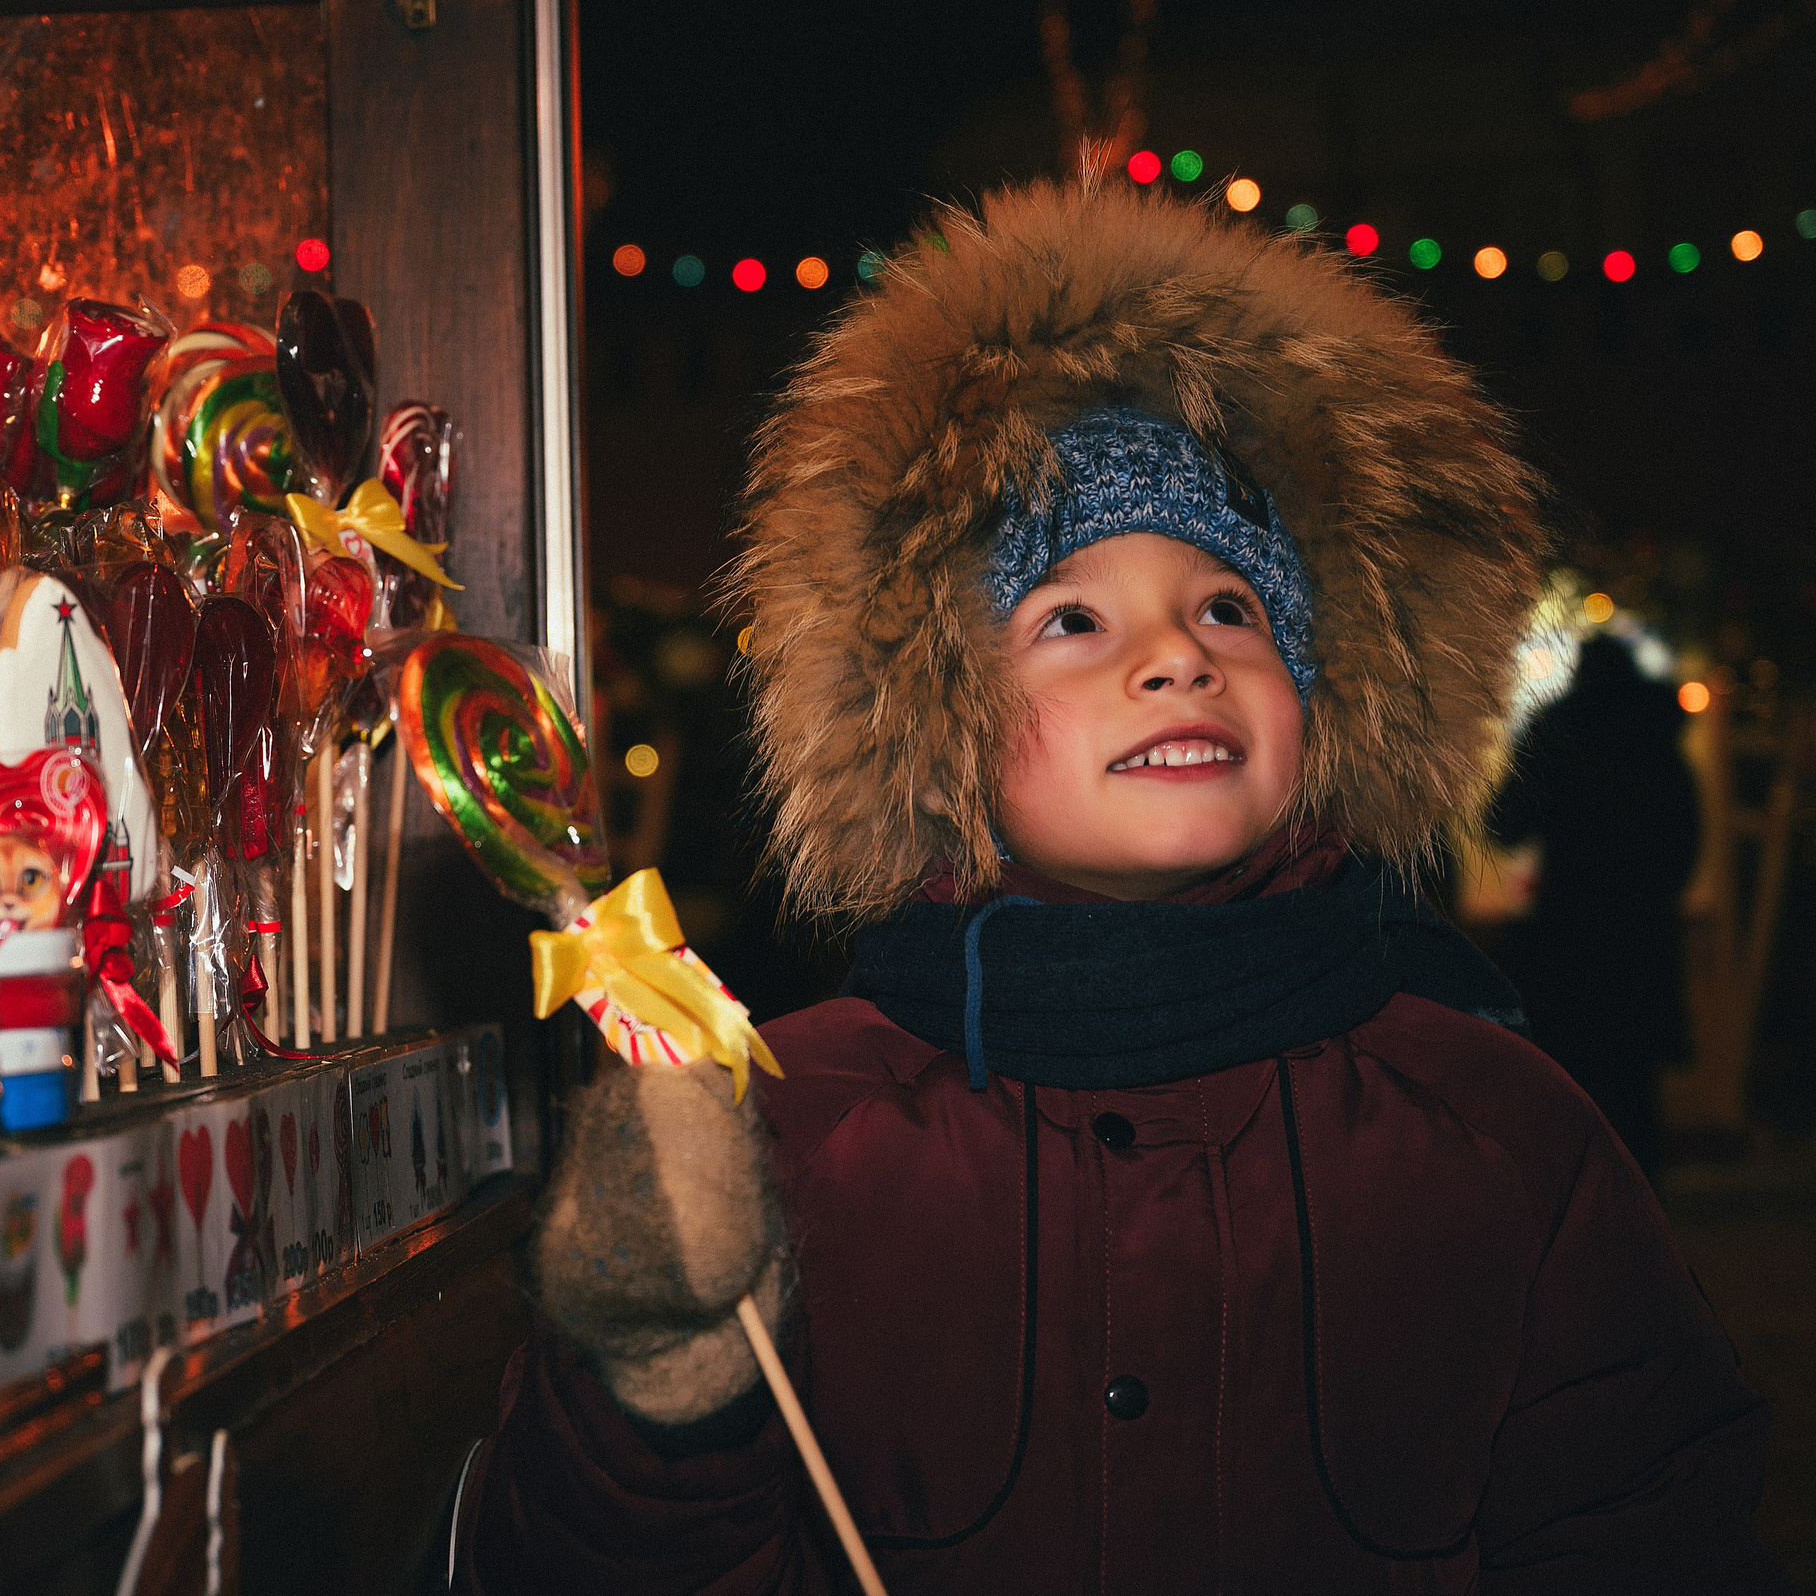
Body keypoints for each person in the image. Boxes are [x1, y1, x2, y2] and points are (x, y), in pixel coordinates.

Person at [457, 182, 1782, 1592]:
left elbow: (1654, 1520)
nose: (1177, 656)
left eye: (1232, 606)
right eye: (1073, 617)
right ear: (933, 716)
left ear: (1328, 700)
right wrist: (661, 1382)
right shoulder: (802, 1125)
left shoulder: (1500, 1136)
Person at [1489, 633, 1702, 1181]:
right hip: (1642, 930)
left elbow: (1507, 823)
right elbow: (1686, 836)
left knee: (1568, 1077)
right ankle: (1647, 1214)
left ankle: (1579, 1211)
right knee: (1635, 1084)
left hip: (1570, 930)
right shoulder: (1658, 736)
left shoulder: (1558, 731)